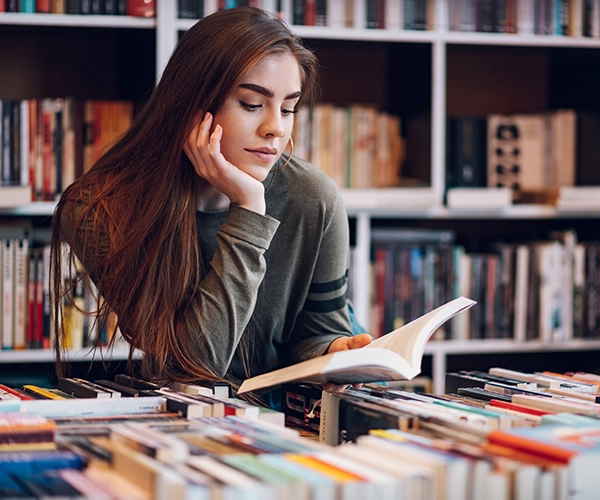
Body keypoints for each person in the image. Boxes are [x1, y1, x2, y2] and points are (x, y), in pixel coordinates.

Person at [50, 6, 371, 395]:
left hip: (292, 422)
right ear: (192, 103)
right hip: (189, 425)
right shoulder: (98, 209)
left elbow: (317, 333)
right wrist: (249, 210)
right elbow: (195, 366)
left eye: (288, 108)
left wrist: (338, 349)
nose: (276, 128)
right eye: (253, 104)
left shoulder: (313, 198)